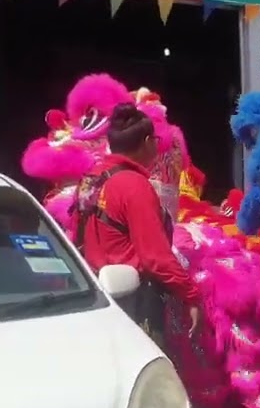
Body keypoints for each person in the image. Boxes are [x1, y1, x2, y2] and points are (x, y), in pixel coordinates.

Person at [73, 102, 200, 344]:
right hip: (132, 303)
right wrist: (191, 295)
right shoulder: (134, 185)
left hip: (97, 295)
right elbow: (156, 258)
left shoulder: (91, 179)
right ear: (147, 142)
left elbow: (75, 234)